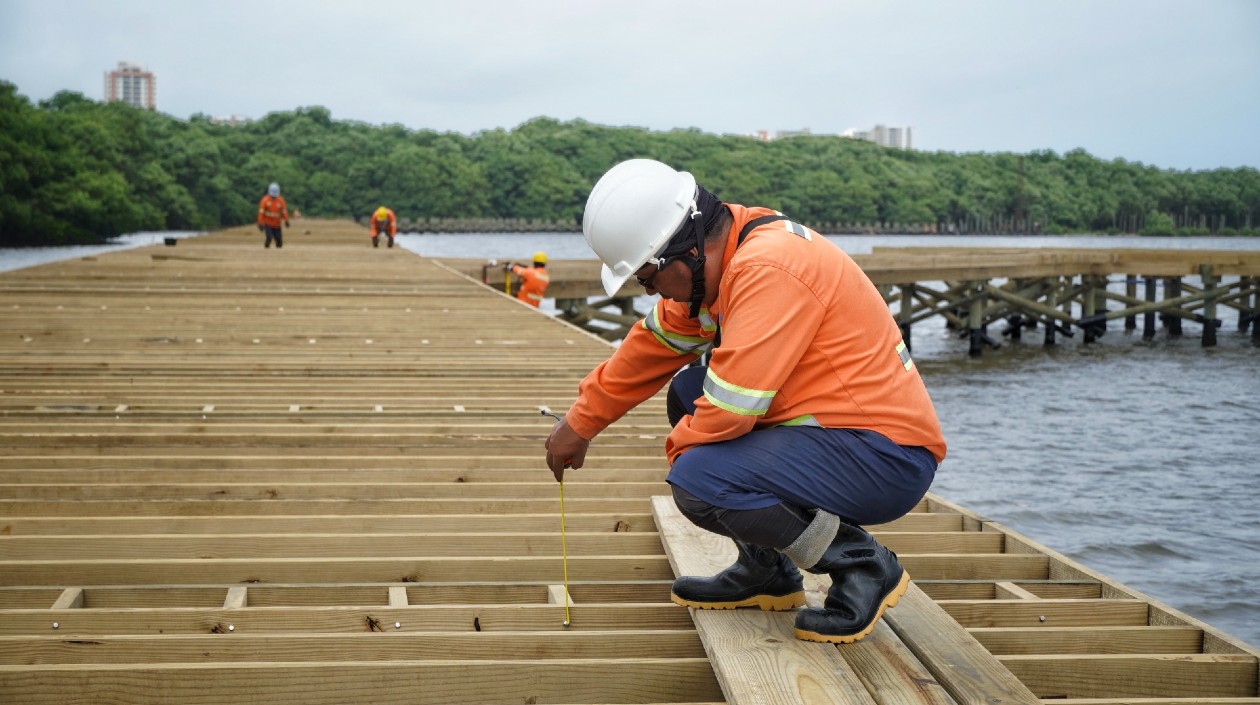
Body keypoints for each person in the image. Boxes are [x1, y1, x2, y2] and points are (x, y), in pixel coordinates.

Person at [544, 159, 946, 644]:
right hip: (836, 432)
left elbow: (732, 412)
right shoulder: (725, 257)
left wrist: (687, 459)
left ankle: (863, 564)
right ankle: (767, 573)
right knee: (689, 394)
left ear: (686, 250)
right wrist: (580, 422)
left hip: (884, 456)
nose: (648, 291)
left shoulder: (767, 267)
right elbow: (653, 347)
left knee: (700, 482)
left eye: (647, 278)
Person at [257, 183, 290, 248]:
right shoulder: (265, 200)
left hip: (277, 224)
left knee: (279, 242)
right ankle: (266, 248)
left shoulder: (281, 201)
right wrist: (260, 223)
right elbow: (261, 213)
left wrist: (286, 221)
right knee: (269, 237)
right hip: (268, 224)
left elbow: (284, 212)